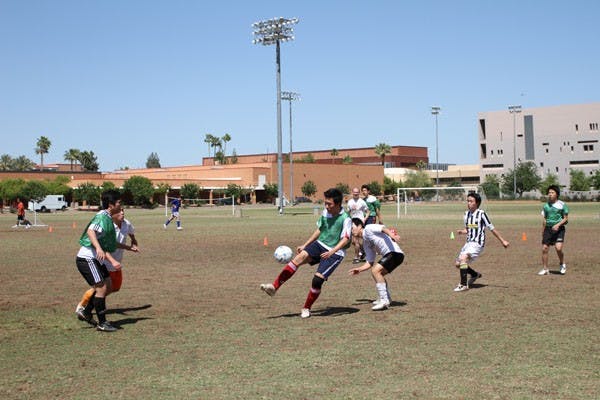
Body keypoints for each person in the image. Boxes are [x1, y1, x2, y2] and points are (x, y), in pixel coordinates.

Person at [260, 188, 352, 319]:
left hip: (336, 252)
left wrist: (332, 251)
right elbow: (320, 230)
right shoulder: (326, 212)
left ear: (337, 204)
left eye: (329, 204)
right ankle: (274, 287)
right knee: (299, 258)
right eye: (325, 203)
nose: (326, 206)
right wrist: (306, 244)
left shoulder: (345, 218)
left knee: (317, 280)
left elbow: (345, 239)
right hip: (321, 244)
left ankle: (306, 308)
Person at [75, 209, 139, 315]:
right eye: (119, 211)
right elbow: (103, 243)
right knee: (103, 287)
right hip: (106, 260)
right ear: (112, 214)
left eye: (123, 211)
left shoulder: (126, 223)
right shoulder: (107, 226)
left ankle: (89, 308)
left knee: (114, 287)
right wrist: (115, 258)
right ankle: (84, 306)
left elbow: (131, 232)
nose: (122, 213)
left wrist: (133, 240)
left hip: (116, 260)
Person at [75, 190, 122, 332]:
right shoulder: (102, 216)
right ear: (111, 204)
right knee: (101, 287)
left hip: (95, 259)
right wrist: (98, 248)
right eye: (119, 202)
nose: (121, 205)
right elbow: (91, 231)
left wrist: (110, 258)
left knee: (108, 285)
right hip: (87, 258)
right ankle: (102, 323)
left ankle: (86, 311)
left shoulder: (108, 218)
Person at [453, 192, 509, 292]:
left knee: (463, 258)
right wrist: (463, 231)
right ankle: (475, 274)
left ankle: (463, 284)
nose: (468, 203)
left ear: (477, 203)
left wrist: (503, 241)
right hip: (468, 243)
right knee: (458, 264)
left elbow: (492, 228)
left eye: (471, 201)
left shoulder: (481, 214)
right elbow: (469, 229)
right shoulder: (466, 215)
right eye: (468, 201)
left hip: (477, 244)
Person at [348, 218, 404, 311]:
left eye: (352, 227)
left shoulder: (368, 228)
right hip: (392, 255)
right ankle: (387, 298)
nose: (351, 231)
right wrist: (359, 269)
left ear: (359, 226)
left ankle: (384, 300)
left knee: (376, 271)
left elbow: (383, 228)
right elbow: (370, 262)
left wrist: (392, 235)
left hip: (394, 253)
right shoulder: (366, 243)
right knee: (378, 273)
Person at [538, 185, 569, 275]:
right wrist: (543, 230)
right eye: (549, 193)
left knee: (558, 248)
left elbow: (566, 219)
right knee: (544, 248)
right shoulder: (546, 206)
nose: (550, 194)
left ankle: (562, 263)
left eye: (552, 193)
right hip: (548, 229)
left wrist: (558, 225)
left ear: (557, 194)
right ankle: (545, 269)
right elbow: (544, 219)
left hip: (559, 229)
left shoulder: (562, 205)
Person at [346, 187, 369, 263]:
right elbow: (348, 212)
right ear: (352, 193)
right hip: (353, 221)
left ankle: (356, 258)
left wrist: (365, 219)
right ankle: (363, 251)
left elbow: (368, 211)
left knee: (355, 239)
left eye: (357, 193)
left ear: (359, 193)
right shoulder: (349, 202)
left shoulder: (362, 202)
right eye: (354, 192)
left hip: (360, 221)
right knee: (353, 241)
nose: (355, 194)